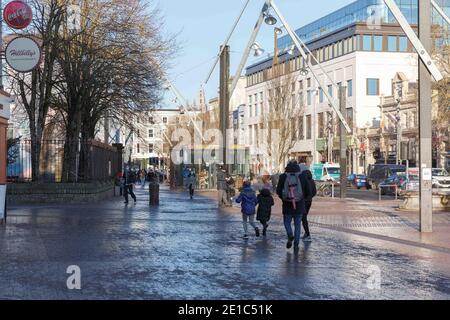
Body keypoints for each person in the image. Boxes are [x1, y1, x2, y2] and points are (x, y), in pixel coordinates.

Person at [276, 161, 311, 250]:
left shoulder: (283, 177)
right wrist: (303, 198)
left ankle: (290, 235)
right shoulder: (302, 176)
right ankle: (296, 243)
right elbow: (309, 191)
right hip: (299, 205)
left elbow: (278, 191)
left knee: (287, 222)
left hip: (287, 204)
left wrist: (284, 198)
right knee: (298, 224)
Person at [301, 166, 317, 242]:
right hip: (309, 201)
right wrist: (310, 197)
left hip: (303, 201)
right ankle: (306, 233)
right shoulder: (312, 181)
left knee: (303, 218)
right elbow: (314, 192)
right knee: (304, 217)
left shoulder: (303, 181)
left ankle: (307, 234)